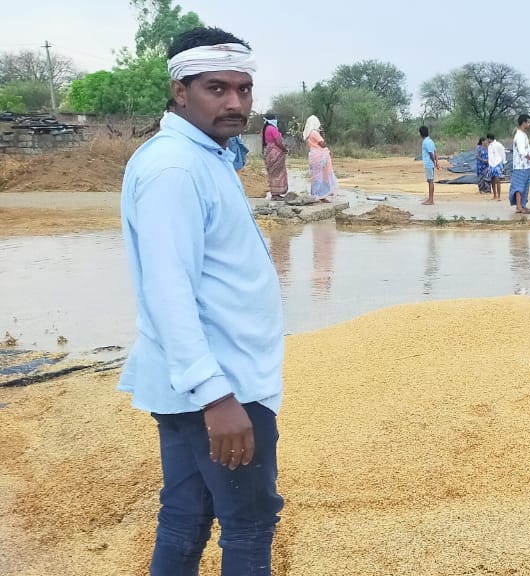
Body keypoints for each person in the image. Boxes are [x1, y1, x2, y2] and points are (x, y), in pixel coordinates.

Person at [118, 27, 284, 575]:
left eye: (243, 89)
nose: (235, 102)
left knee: (187, 515)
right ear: (180, 89)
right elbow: (168, 291)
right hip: (222, 382)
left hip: (202, 379)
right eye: (217, 88)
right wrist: (217, 396)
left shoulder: (208, 155)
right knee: (251, 524)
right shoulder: (176, 168)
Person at [302, 115, 337, 203]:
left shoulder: (308, 133)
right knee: (321, 175)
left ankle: (319, 195)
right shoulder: (314, 133)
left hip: (314, 155)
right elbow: (322, 143)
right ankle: (318, 195)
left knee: (317, 176)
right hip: (319, 156)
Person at [510, 113, 530, 214]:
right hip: (520, 166)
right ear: (523, 123)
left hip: (526, 165)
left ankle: (523, 205)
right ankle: (519, 206)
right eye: (528, 122)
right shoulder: (519, 136)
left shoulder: (524, 135)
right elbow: (522, 151)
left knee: (525, 186)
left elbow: (527, 149)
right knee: (519, 187)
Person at [262, 112, 288, 200]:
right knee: (278, 173)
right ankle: (276, 194)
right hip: (275, 152)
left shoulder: (264, 129)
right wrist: (285, 149)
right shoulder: (272, 129)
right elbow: (278, 141)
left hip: (268, 152)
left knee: (272, 173)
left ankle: (274, 193)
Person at [419, 126, 437, 205]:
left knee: (430, 181)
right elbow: (435, 152)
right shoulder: (430, 141)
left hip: (429, 164)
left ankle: (431, 200)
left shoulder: (426, 142)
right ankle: (430, 198)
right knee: (430, 181)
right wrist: (436, 162)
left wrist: (435, 162)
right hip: (431, 164)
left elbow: (431, 153)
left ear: (421, 134)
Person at [487, 132, 506, 202]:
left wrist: (504, 162)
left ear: (489, 138)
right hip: (491, 165)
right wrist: (489, 164)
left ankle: (499, 196)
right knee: (492, 180)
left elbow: (503, 153)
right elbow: (489, 156)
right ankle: (494, 195)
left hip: (497, 163)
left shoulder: (498, 145)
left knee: (497, 180)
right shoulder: (489, 146)